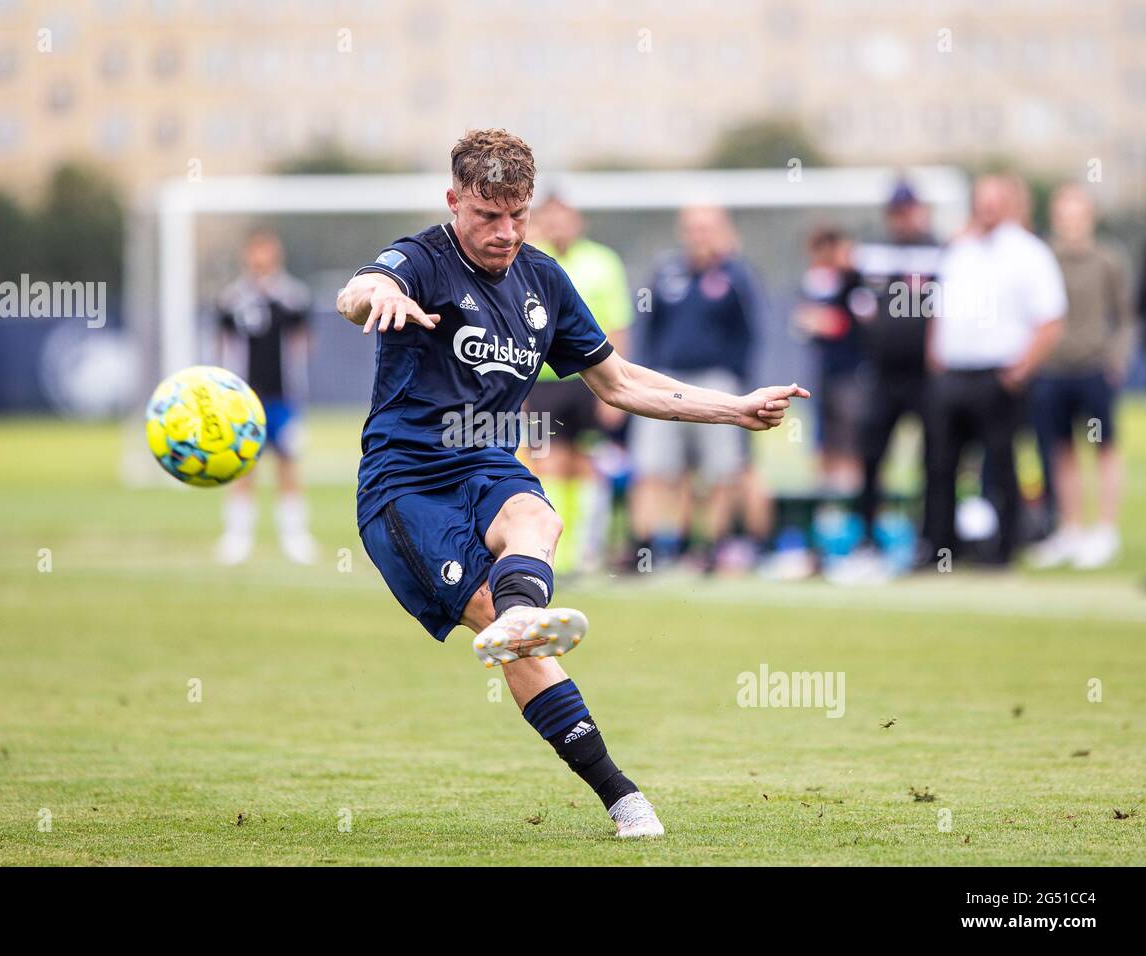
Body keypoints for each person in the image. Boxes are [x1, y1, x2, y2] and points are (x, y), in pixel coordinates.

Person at [335, 129, 808, 838]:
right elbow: (361, 287)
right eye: (488, 216)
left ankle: (526, 617)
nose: (506, 232)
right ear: (454, 201)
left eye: (518, 214)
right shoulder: (422, 258)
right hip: (406, 487)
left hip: (485, 460)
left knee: (538, 521)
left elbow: (617, 382)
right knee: (511, 635)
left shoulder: (543, 279)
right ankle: (619, 791)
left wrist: (733, 410)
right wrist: (373, 297)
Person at [922, 176, 1066, 567]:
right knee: (939, 464)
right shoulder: (959, 250)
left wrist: (1020, 368)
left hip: (998, 375)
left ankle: (1003, 550)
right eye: (980, 201)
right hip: (953, 374)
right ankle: (940, 548)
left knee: (1000, 464)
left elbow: (1050, 317)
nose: (986, 209)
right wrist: (935, 355)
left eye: (994, 201)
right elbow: (939, 308)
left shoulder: (1028, 252)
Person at [629, 205, 773, 572]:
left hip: (716, 381)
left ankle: (712, 546)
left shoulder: (736, 276)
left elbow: (749, 334)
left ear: (723, 231)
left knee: (721, 469)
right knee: (656, 467)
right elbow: (651, 329)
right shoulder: (666, 273)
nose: (700, 236)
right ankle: (645, 549)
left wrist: (738, 387)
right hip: (666, 380)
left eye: (707, 228)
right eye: (693, 228)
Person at [522, 194, 632, 575]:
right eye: (549, 218)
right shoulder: (529, 259)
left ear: (578, 220)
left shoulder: (603, 262)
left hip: (589, 379)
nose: (557, 226)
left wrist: (616, 389)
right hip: (542, 381)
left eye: (563, 218)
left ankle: (588, 549)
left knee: (588, 463)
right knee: (547, 462)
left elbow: (618, 325)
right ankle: (554, 550)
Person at [1026, 183, 1135, 569]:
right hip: (1053, 369)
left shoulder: (1108, 259)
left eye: (1077, 213)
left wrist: (1115, 359)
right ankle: (1069, 528)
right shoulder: (1042, 258)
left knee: (1103, 447)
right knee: (1060, 450)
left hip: (1093, 367)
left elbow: (1125, 316)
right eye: (1063, 213)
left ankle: (1104, 529)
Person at [214, 231, 318, 566]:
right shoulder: (232, 298)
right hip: (244, 399)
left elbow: (304, 340)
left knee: (288, 463)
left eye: (267, 251)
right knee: (243, 464)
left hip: (283, 398)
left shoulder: (292, 296)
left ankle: (294, 535)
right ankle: (238, 536)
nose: (261, 258)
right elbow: (223, 343)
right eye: (256, 251)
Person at [851, 183, 940, 545]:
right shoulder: (873, 251)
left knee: (935, 458)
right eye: (897, 212)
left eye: (908, 210)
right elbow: (855, 302)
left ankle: (931, 538)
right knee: (871, 456)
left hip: (927, 373)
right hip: (883, 372)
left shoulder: (940, 251)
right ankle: (869, 537)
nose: (903, 219)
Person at [794, 226, 868, 493]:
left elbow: (845, 323)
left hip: (852, 375)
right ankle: (829, 502)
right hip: (823, 373)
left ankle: (852, 500)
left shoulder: (853, 282)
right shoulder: (813, 282)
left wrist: (825, 322)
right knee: (823, 440)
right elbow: (804, 321)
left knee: (851, 440)